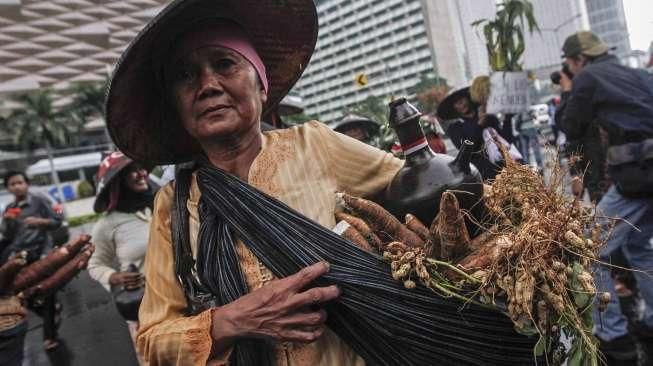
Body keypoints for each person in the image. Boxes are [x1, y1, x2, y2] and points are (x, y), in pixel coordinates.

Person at [105, 1, 403, 364]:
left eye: (225, 64)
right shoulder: (174, 203)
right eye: (185, 76)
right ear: (177, 108)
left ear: (262, 86)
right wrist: (232, 321)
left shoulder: (317, 146)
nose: (208, 85)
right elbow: (151, 343)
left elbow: (428, 190)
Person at [556, 30, 653, 364]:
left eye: (570, 64)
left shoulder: (588, 78)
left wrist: (569, 92)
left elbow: (571, 126)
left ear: (579, 60)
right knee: (640, 248)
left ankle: (613, 336)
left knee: (588, 248)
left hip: (639, 174)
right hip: (645, 173)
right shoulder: (635, 73)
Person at [87, 152, 157, 364]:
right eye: (132, 171)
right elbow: (95, 264)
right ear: (117, 182)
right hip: (145, 310)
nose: (142, 174)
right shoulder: (107, 225)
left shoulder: (164, 203)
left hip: (187, 299)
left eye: (142, 167)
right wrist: (113, 277)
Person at [0, 171, 62, 351]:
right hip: (20, 256)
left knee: (47, 292)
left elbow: (57, 220)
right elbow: (8, 235)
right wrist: (7, 221)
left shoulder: (39, 201)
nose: (17, 186)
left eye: (20, 182)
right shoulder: (10, 208)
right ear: (8, 188)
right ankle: (49, 313)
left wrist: (39, 221)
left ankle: (50, 336)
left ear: (27, 184)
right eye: (12, 184)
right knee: (21, 294)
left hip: (41, 252)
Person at [437, 87, 514, 180]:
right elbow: (468, 149)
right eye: (455, 103)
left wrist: (508, 117)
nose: (459, 103)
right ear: (454, 107)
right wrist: (480, 125)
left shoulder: (489, 117)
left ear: (469, 98)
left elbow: (507, 141)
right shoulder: (455, 128)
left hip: (507, 169)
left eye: (461, 99)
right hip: (485, 176)